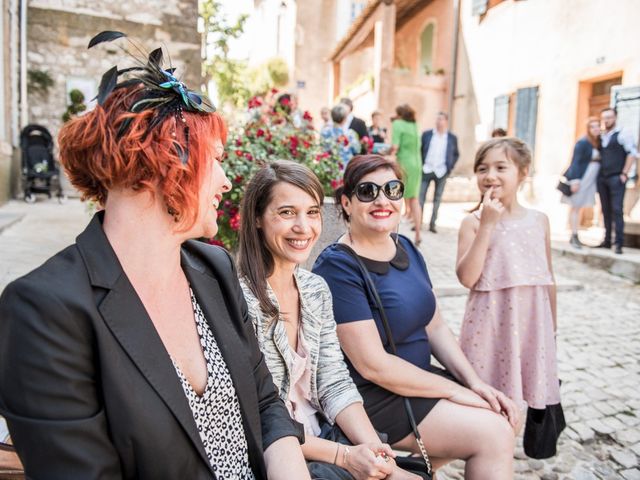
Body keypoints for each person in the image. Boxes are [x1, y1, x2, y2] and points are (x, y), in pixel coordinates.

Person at [0, 31, 309, 480]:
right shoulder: (44, 311)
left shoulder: (214, 269)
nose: (225, 181)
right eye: (215, 159)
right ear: (159, 168)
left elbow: (264, 402)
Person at [313, 155, 519, 479]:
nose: (382, 200)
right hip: (376, 396)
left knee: (499, 413)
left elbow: (434, 324)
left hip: (418, 382)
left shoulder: (405, 246)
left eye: (392, 190)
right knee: (494, 433)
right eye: (368, 191)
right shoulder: (338, 267)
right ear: (347, 203)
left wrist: (474, 382)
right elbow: (372, 365)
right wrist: (453, 391)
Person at [238, 161, 420, 480]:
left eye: (312, 212)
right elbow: (258, 415)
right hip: (277, 455)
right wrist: (347, 456)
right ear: (257, 218)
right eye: (286, 213)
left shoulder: (314, 289)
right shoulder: (239, 297)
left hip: (325, 434)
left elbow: (334, 382)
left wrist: (378, 454)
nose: (304, 227)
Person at [456, 137, 560, 417]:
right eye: (482, 168)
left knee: (519, 399)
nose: (490, 176)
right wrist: (488, 225)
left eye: (501, 167)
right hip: (489, 326)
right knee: (485, 403)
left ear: (523, 172)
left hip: (530, 326)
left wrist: (551, 328)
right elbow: (467, 278)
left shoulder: (539, 221)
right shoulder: (473, 223)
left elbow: (547, 278)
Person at [597, 107, 639, 254]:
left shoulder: (623, 133)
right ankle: (607, 240)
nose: (607, 120)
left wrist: (624, 173)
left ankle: (618, 243)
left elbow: (632, 154)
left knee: (617, 210)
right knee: (605, 209)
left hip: (617, 177)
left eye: (609, 117)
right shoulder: (601, 136)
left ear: (615, 118)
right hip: (602, 178)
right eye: (604, 118)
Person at [562, 117, 602, 249]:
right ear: (588, 129)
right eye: (593, 126)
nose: (596, 129)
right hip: (581, 179)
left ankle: (576, 234)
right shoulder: (583, 142)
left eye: (598, 126)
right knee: (575, 206)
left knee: (581, 206)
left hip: (591, 180)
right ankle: (573, 235)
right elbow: (575, 162)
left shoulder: (598, 143)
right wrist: (575, 181)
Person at [419, 112, 460, 233]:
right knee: (421, 197)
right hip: (426, 169)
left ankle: (432, 224)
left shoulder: (452, 137)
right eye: (437, 119)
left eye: (441, 119)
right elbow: (421, 150)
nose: (438, 122)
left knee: (437, 198)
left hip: (442, 171)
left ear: (446, 121)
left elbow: (456, 154)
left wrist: (449, 167)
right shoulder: (427, 134)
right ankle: (418, 222)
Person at [391, 104, 422, 245]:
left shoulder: (398, 124)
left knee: (397, 197)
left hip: (404, 164)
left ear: (400, 114)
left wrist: (387, 153)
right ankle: (418, 234)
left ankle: (392, 234)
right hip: (417, 164)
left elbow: (395, 147)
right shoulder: (414, 125)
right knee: (414, 199)